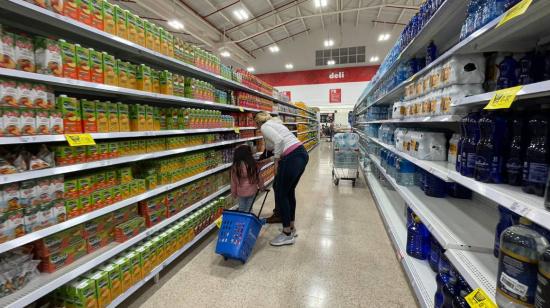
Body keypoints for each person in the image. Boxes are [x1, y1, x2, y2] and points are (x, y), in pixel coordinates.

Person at [254, 112, 309, 246]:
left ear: (257, 122)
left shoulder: (265, 127)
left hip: (291, 158)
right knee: (289, 192)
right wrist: (266, 159)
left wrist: (277, 159)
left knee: (281, 193)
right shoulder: (276, 123)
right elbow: (272, 148)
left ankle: (286, 234)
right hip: (300, 154)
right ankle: (290, 227)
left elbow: (279, 141)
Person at [230, 145, 264, 212]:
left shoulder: (235, 167)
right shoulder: (253, 165)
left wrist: (233, 193)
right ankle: (248, 220)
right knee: (249, 208)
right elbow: (259, 177)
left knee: (241, 208)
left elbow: (233, 181)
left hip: (241, 192)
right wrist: (261, 187)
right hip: (252, 191)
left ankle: (241, 221)